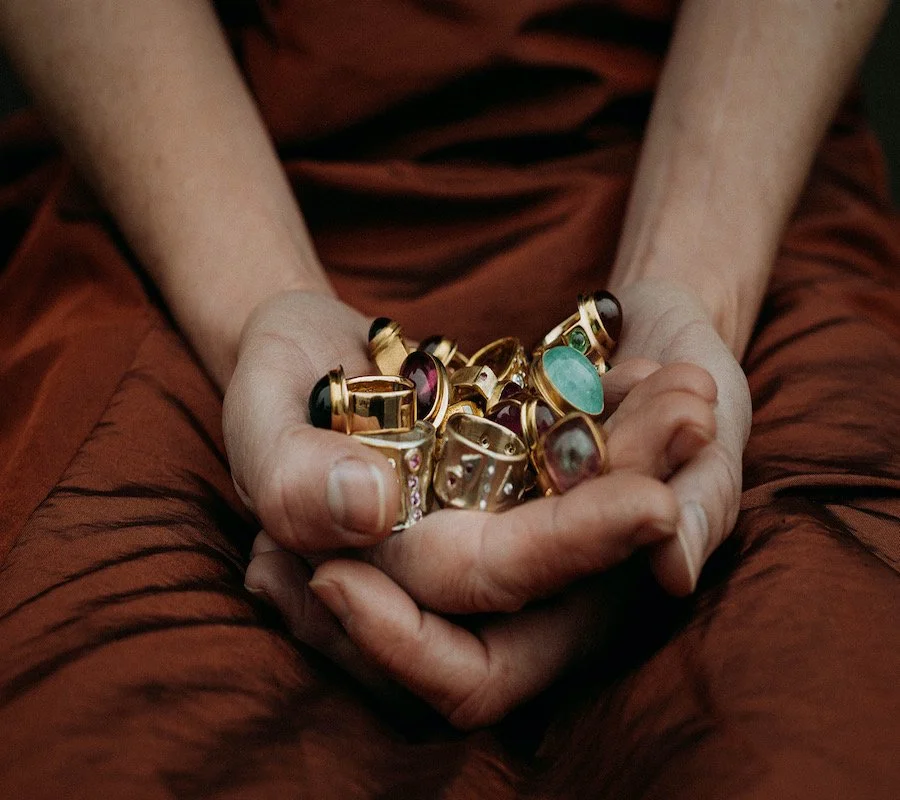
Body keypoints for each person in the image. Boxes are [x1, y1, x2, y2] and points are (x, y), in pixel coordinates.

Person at [0, 1, 897, 797]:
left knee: (810, 710)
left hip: (735, 182)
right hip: (185, 190)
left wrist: (698, 280)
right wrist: (253, 309)